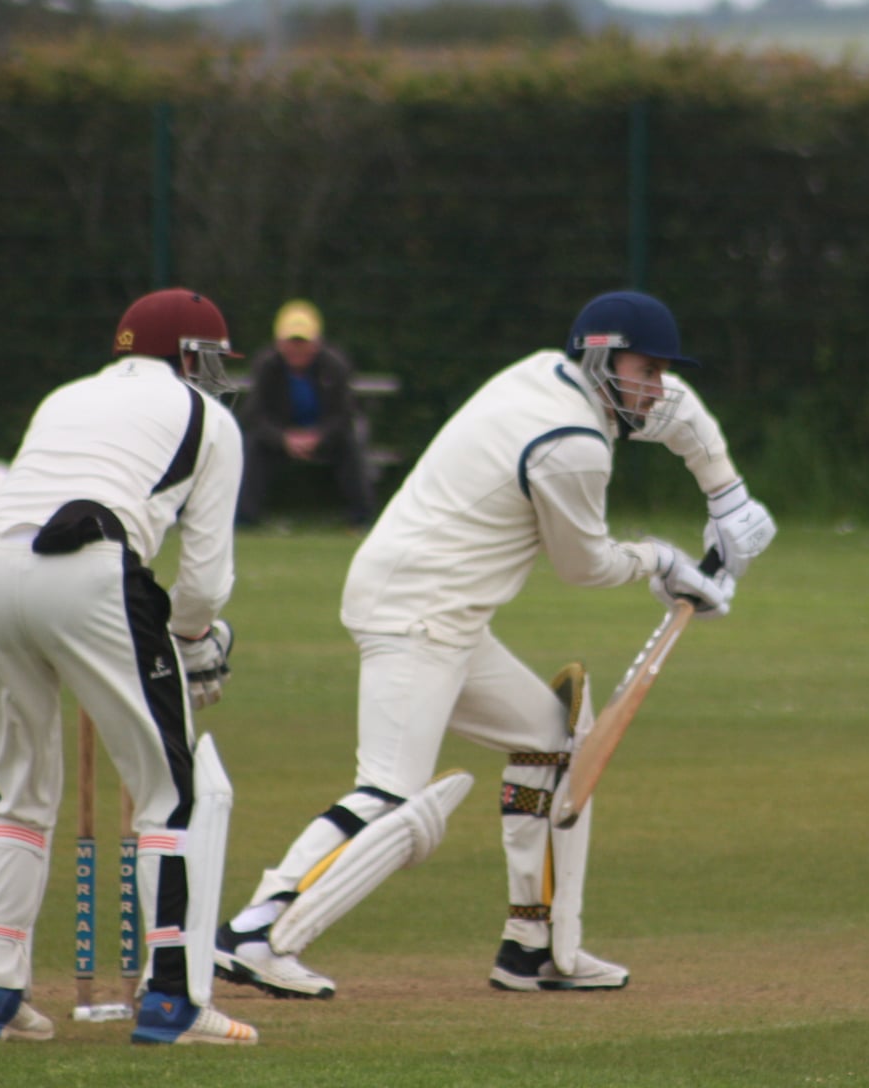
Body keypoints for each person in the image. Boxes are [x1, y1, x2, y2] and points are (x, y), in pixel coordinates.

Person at [211, 290, 777, 998]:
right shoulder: (573, 445)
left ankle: (530, 949)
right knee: (389, 792)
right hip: (416, 612)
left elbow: (683, 410)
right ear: (602, 361)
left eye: (663, 372)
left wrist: (728, 496)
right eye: (647, 372)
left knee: (550, 739)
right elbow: (583, 566)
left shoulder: (546, 370)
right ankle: (252, 933)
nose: (658, 390)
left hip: (442, 611)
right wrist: (664, 562)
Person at [0, 288, 260, 1047]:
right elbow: (205, 581)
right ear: (189, 355)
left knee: (15, 786)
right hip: (91, 569)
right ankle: (172, 1000)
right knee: (169, 791)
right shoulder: (210, 419)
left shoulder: (64, 397)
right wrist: (192, 641)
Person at [235, 299, 377, 528]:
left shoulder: (335, 365)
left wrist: (318, 436)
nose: (297, 349)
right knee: (253, 446)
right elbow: (255, 415)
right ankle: (245, 518)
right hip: (280, 440)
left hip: (325, 438)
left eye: (303, 342)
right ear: (279, 343)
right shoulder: (266, 366)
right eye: (291, 342)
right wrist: (284, 438)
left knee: (350, 445)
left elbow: (344, 415)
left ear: (317, 343)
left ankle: (362, 519)